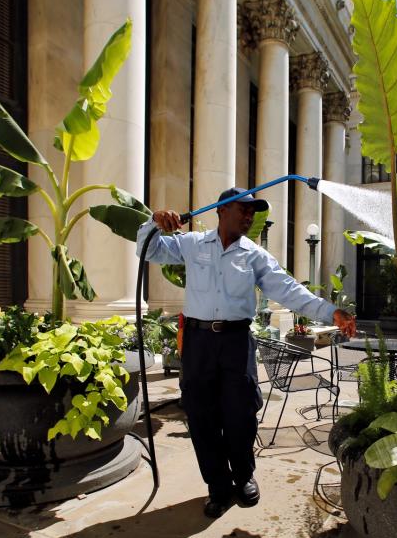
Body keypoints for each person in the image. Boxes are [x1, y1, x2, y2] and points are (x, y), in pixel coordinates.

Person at [136, 188, 357, 518]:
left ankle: (243, 477)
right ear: (222, 209)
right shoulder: (192, 244)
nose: (250, 216)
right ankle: (218, 487)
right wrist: (154, 222)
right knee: (201, 417)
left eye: (254, 211)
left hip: (236, 342)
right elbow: (148, 249)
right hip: (197, 343)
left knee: (240, 414)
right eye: (244, 209)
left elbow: (291, 291)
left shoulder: (255, 255)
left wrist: (330, 313)